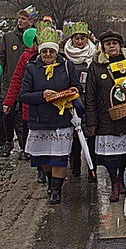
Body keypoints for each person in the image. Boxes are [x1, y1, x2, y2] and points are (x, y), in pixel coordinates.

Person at [85, 30, 126, 202]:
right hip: (105, 116)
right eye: (108, 44)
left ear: (120, 45)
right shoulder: (96, 66)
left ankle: (121, 176)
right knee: (109, 156)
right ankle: (114, 182)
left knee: (125, 153)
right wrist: (91, 121)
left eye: (115, 43)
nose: (112, 46)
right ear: (103, 47)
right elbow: (90, 95)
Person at [19, 27, 82, 204]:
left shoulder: (67, 66)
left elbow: (78, 87)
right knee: (44, 158)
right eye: (44, 51)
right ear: (40, 52)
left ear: (56, 52)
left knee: (59, 157)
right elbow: (23, 95)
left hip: (61, 120)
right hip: (40, 119)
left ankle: (56, 190)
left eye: (51, 51)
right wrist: (42, 96)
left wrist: (72, 92)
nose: (48, 54)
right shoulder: (32, 68)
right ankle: (49, 180)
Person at [0, 5, 37, 157]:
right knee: (7, 113)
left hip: (29, 85)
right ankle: (7, 142)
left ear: (31, 22)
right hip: (10, 83)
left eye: (24, 19)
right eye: (19, 18)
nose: (20, 21)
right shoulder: (8, 38)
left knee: (25, 117)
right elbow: (0, 56)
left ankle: (25, 145)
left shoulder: (35, 38)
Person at [63, 21, 97, 179]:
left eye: (82, 38)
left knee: (90, 134)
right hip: (71, 101)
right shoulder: (65, 56)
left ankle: (92, 168)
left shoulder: (93, 55)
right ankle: (75, 166)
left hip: (89, 100)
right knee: (74, 136)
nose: (79, 41)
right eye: (76, 38)